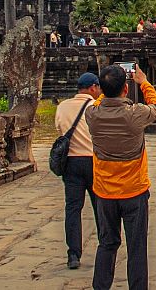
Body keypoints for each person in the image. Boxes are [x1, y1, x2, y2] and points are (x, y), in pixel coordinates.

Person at [86, 63, 156, 290]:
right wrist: (144, 82)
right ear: (126, 89)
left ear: (100, 88)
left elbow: (99, 102)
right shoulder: (134, 114)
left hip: (104, 193)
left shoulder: (92, 114)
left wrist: (103, 94)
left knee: (107, 244)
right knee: (137, 247)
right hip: (134, 191)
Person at [55, 73, 102, 270]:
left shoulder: (62, 106)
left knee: (73, 208)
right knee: (100, 206)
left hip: (71, 163)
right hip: (94, 161)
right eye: (97, 87)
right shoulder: (96, 106)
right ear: (92, 87)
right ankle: (106, 245)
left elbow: (59, 129)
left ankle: (73, 254)